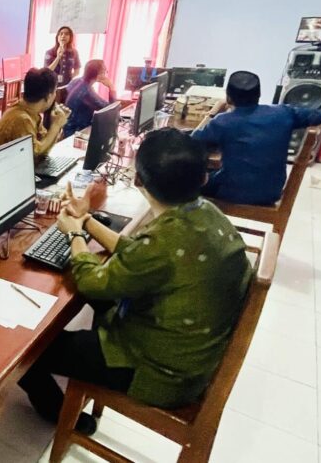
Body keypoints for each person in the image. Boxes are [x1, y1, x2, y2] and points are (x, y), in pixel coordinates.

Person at [19, 129, 253, 435]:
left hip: (157, 370)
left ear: (139, 180)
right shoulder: (206, 214)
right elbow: (142, 254)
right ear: (203, 178)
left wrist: (74, 233)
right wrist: (86, 220)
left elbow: (91, 281)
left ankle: (64, 416)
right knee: (80, 281)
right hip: (182, 350)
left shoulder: (164, 242)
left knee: (27, 349)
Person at [192, 70, 321, 205]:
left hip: (233, 193)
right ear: (259, 94)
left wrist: (213, 112)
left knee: (187, 179)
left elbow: (191, 142)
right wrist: (313, 134)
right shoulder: (283, 112)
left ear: (228, 97)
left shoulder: (222, 121)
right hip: (272, 192)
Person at [0, 67, 70, 156]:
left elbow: (44, 146)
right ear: (48, 96)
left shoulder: (30, 112)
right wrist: (56, 125)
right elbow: (35, 154)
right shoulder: (21, 119)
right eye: (55, 91)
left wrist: (58, 123)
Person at [62, 59, 116, 138]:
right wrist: (111, 87)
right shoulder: (87, 92)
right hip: (76, 132)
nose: (105, 73)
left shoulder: (76, 81)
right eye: (105, 71)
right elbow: (111, 110)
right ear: (99, 75)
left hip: (67, 127)